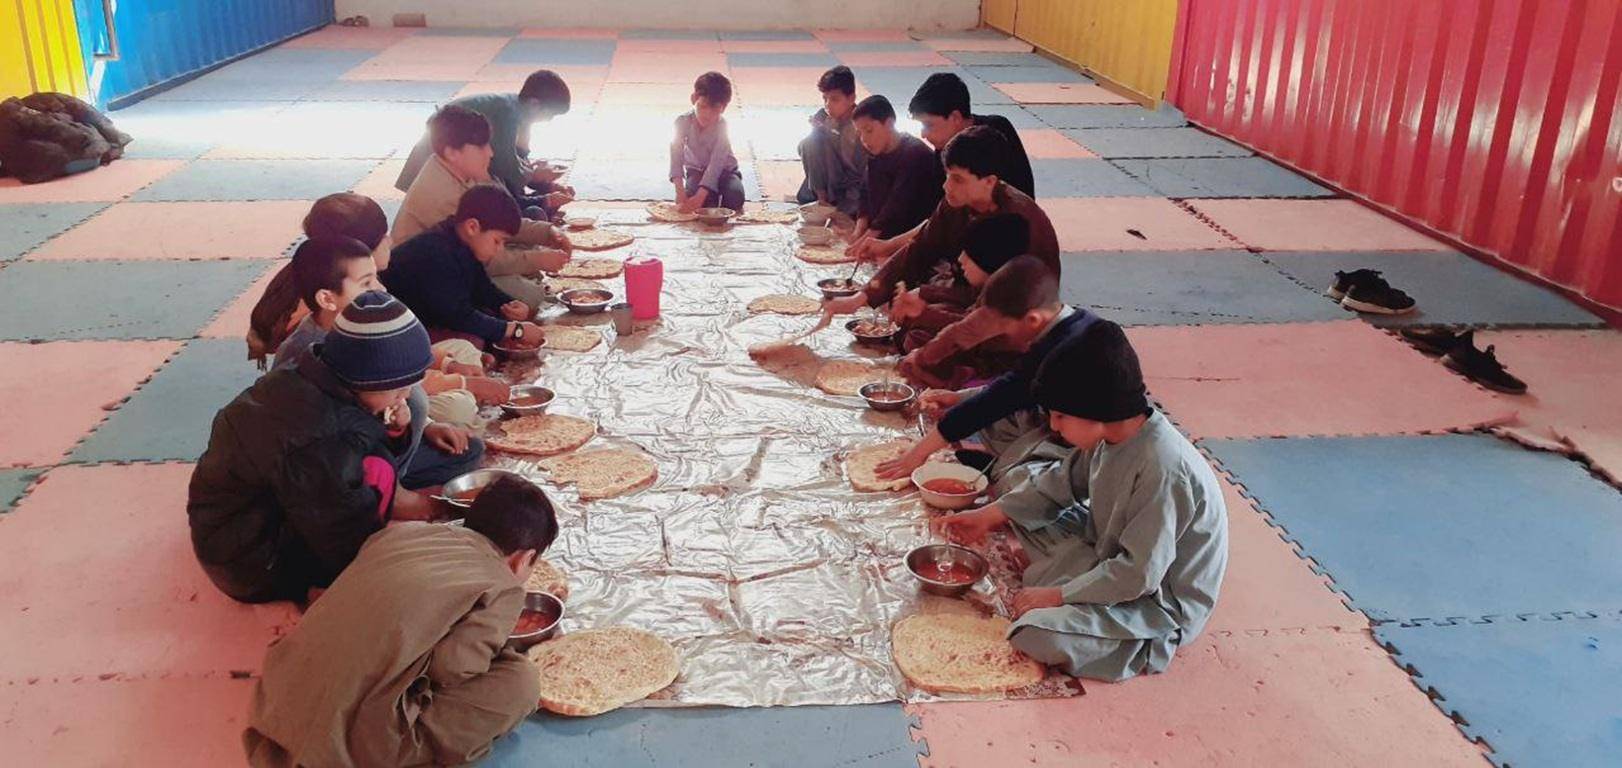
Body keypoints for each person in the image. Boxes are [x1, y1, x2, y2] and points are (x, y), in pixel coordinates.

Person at [932, 323, 1228, 682]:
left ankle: (1139, 643)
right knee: (1021, 508)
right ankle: (1075, 588)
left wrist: (1057, 596)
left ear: (1096, 409)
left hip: (1156, 603)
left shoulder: (1164, 470)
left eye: (1060, 416)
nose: (1054, 428)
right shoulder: (1113, 436)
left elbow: (1140, 574)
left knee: (1034, 632)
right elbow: (1059, 484)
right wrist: (990, 515)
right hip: (1107, 553)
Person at [243, 475, 558, 766]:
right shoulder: (501, 584)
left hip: (276, 706)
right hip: (337, 747)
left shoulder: (403, 535)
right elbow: (453, 669)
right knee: (521, 682)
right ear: (522, 558)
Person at [189, 292, 442, 604]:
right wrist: (373, 572)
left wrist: (395, 427)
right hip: (246, 561)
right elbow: (341, 533)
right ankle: (307, 589)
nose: (404, 396)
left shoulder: (318, 373)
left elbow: (355, 443)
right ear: (366, 379)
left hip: (259, 517)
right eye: (400, 387)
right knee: (377, 480)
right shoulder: (319, 439)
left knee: (380, 461)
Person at [274, 236, 499, 489]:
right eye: (366, 283)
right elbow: (324, 457)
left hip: (379, 443)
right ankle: (390, 493)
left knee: (468, 448)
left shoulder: (361, 330)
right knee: (415, 400)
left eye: (376, 278)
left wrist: (426, 427)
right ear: (327, 299)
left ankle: (395, 482)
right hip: (335, 470)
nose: (380, 289)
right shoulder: (303, 358)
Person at [826, 127, 1059, 364]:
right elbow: (920, 248)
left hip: (1008, 320)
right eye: (947, 175)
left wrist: (926, 302)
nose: (947, 187)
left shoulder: (1020, 224)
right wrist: (862, 297)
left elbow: (992, 314)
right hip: (969, 295)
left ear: (989, 181)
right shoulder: (956, 201)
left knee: (921, 335)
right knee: (907, 319)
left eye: (957, 179)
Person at [875, 257, 1101, 495]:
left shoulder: (1064, 350)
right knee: (990, 423)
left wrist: (919, 453)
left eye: (1005, 330)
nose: (1005, 337)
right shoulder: (1068, 322)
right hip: (1049, 421)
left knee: (1011, 482)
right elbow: (1012, 386)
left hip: (1079, 446)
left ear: (1032, 320)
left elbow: (1001, 398)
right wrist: (959, 398)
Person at [393, 104, 574, 306]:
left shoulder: (459, 171)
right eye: (481, 146)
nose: (490, 153)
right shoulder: (441, 195)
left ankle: (525, 277)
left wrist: (548, 232)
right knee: (527, 295)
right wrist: (537, 260)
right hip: (430, 281)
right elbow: (481, 259)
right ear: (452, 152)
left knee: (532, 219)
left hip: (471, 257)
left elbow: (500, 219)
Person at [395, 70, 576, 220]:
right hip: (433, 155)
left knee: (511, 187)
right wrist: (535, 177)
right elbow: (506, 166)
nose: (549, 120)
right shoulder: (508, 114)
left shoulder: (516, 107)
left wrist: (534, 174)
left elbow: (514, 158)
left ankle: (532, 204)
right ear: (535, 104)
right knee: (506, 198)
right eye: (550, 115)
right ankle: (530, 206)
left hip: (447, 153)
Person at [383, 185, 546, 351]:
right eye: (497, 241)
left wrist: (508, 304)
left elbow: (482, 288)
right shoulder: (436, 253)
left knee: (490, 320)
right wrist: (515, 331)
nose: (500, 249)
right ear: (472, 227)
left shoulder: (462, 241)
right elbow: (457, 316)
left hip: (437, 313)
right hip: (395, 331)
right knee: (473, 341)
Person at [892, 213, 1029, 389]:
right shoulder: (997, 283)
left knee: (921, 348)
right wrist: (924, 296)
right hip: (979, 355)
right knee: (918, 335)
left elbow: (968, 331)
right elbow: (967, 306)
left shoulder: (1011, 297)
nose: (961, 259)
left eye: (969, 254)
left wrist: (924, 315)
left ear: (989, 259)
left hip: (995, 374)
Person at [909, 72, 1033, 198]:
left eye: (928, 125)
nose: (923, 134)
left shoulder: (997, 132)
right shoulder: (943, 147)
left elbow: (1023, 193)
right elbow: (939, 201)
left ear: (955, 117)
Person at [845, 95, 943, 254]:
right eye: (860, 133)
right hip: (882, 233)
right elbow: (865, 192)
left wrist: (867, 239)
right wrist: (858, 232)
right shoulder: (876, 150)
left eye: (869, 130)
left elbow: (896, 206)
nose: (864, 139)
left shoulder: (914, 154)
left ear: (889, 123)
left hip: (909, 238)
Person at [795, 66, 866, 217]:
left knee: (856, 210)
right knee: (811, 141)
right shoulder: (824, 117)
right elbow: (803, 149)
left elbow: (864, 168)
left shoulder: (862, 123)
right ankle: (822, 200)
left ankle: (828, 200)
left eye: (834, 99)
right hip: (828, 183)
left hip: (854, 184)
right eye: (825, 99)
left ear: (852, 98)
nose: (828, 104)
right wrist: (819, 131)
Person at [671, 71, 744, 213]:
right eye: (703, 107)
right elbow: (676, 156)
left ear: (723, 108)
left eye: (715, 109)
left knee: (735, 198)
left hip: (725, 172)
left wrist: (700, 196)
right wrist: (680, 192)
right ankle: (710, 194)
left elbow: (716, 164)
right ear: (693, 99)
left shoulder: (722, 126)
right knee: (704, 203)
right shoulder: (682, 122)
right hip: (696, 171)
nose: (707, 115)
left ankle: (712, 192)